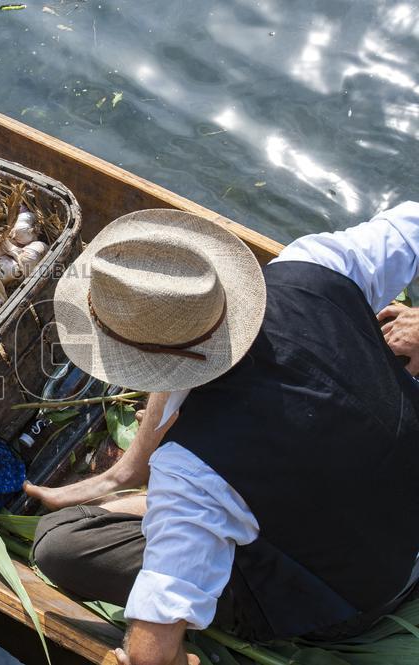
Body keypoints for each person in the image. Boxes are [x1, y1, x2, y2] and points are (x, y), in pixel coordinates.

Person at [24, 203, 419, 665]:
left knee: (61, 541)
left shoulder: (193, 473)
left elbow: (154, 648)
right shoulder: (311, 267)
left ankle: (187, 516)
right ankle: (159, 500)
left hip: (364, 593)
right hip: (391, 479)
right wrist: (127, 469)